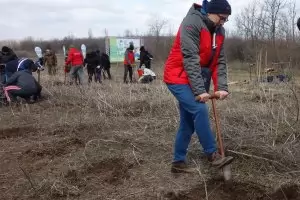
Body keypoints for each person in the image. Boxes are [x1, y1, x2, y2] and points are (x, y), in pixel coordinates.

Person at [163, 0, 234, 173]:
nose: (223, 22)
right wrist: (200, 90)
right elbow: (190, 59)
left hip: (195, 78)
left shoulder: (219, 31)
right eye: (222, 18)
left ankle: (178, 162)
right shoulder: (191, 23)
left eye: (226, 20)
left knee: (188, 122)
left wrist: (221, 86)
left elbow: (220, 61)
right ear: (211, 12)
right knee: (199, 110)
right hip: (177, 76)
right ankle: (212, 155)